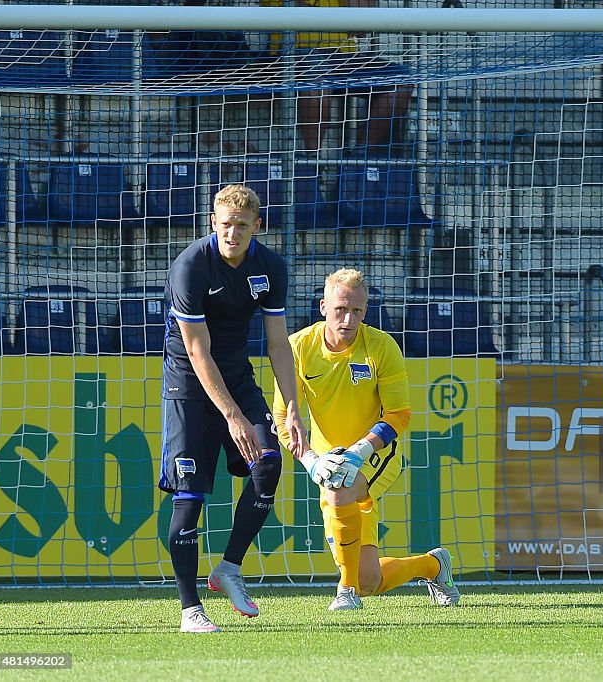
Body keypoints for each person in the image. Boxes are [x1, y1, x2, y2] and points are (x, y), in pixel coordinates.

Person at [161, 184, 308, 633]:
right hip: (189, 384)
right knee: (189, 498)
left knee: (269, 463)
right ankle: (191, 611)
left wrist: (293, 409)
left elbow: (279, 345)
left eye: (242, 225)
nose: (233, 233)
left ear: (256, 227)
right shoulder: (190, 267)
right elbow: (197, 352)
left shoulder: (271, 267)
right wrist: (232, 416)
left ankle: (229, 569)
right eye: (225, 224)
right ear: (213, 223)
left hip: (238, 378)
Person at [273, 268, 459, 610]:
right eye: (341, 309)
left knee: (340, 486)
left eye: (357, 311)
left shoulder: (381, 346)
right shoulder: (297, 348)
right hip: (326, 459)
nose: (349, 318)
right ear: (323, 307)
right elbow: (285, 419)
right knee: (369, 580)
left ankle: (345, 592)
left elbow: (399, 414)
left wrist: (359, 451)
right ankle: (434, 565)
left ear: (366, 311)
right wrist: (311, 460)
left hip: (376, 454)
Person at [285, 0, 412, 155]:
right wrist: (345, 21)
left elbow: (363, 22)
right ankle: (312, 158)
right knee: (317, 78)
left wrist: (347, 20)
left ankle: (362, 154)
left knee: (402, 80)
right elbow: (294, 11)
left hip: (343, 57)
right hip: (295, 51)